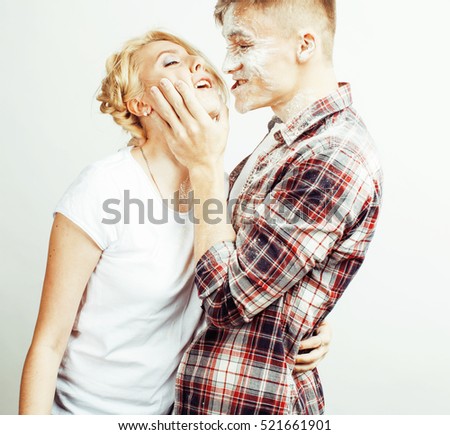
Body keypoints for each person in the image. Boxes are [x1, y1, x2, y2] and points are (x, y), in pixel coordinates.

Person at [18, 30, 331, 415]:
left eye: (195, 58)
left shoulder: (222, 193)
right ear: (141, 104)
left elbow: (242, 291)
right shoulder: (102, 189)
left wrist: (310, 328)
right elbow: (47, 346)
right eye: (171, 62)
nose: (198, 63)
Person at [148, 0, 383, 415]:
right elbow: (240, 257)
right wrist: (298, 311)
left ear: (304, 45)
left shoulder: (332, 155)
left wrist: (204, 167)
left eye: (242, 45)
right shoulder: (289, 138)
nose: (227, 65)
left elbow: (226, 299)